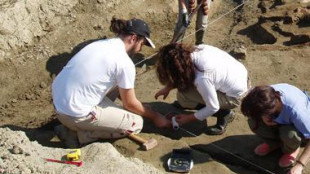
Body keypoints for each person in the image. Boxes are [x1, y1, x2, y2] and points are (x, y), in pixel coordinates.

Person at [52, 17, 171, 148]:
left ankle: (79, 124)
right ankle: (76, 135)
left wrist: (139, 106)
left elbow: (126, 97)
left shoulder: (98, 44)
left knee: (116, 84)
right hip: (75, 114)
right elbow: (130, 104)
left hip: (59, 103)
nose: (140, 49)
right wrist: (155, 116)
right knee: (136, 123)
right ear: (133, 38)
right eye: (141, 44)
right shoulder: (124, 62)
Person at [155, 43, 249, 135]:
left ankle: (224, 113)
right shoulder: (198, 49)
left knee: (184, 96)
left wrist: (188, 118)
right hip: (241, 77)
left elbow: (213, 107)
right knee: (186, 89)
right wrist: (168, 88)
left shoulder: (202, 78)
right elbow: (183, 73)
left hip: (235, 97)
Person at [241, 84, 310, 174]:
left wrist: (299, 165)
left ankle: (291, 149)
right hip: (277, 114)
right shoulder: (262, 96)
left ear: (271, 109)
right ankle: (274, 144)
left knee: (290, 134)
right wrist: (264, 118)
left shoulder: (297, 112)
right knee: (253, 122)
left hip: (296, 126)